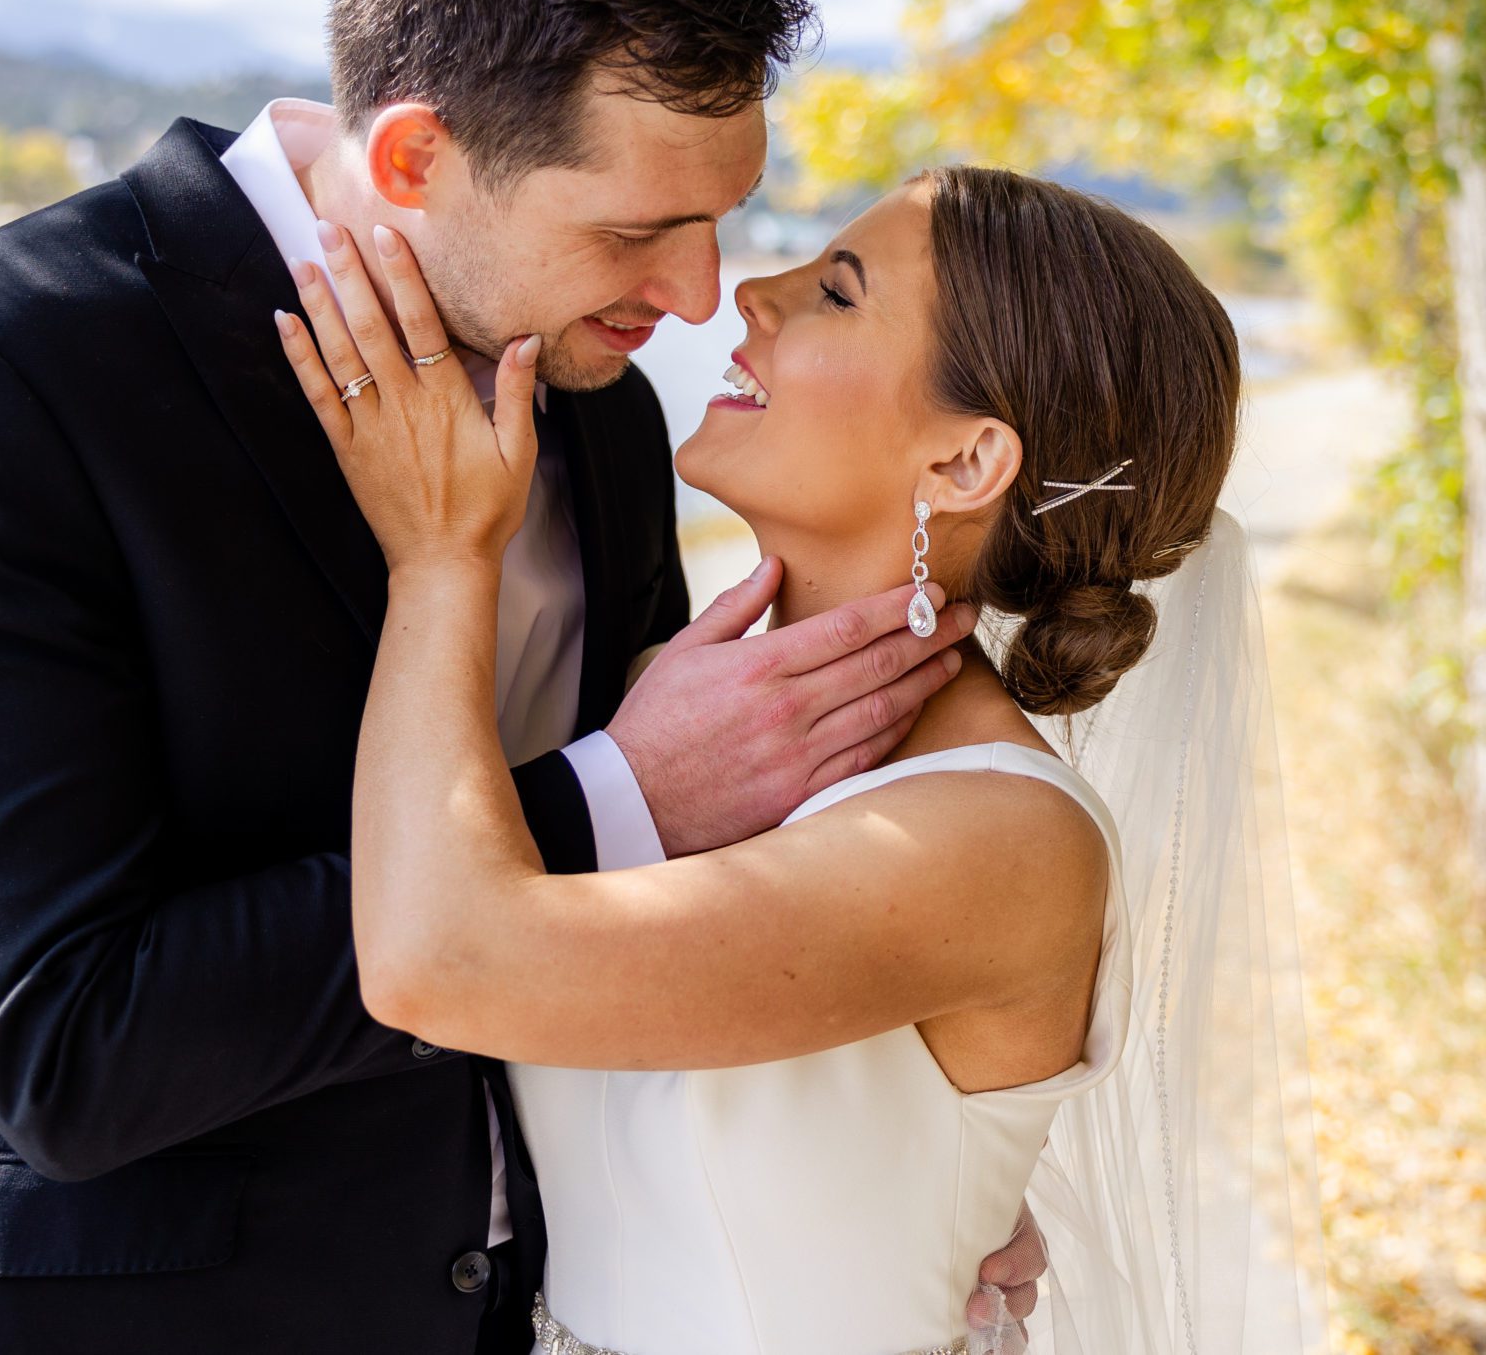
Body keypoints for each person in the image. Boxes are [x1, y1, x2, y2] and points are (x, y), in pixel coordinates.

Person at [0, 0, 1049, 1354]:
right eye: (639, 230)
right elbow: (64, 1040)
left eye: (724, 218)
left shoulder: (594, 402)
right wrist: (613, 794)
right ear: (414, 156)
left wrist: (888, 1174)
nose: (696, 293)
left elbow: (672, 939)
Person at [272, 162, 1294, 1355]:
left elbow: (437, 967)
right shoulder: (667, 705)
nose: (753, 293)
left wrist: (443, 555)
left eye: (838, 293)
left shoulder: (995, 838)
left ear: (965, 464)